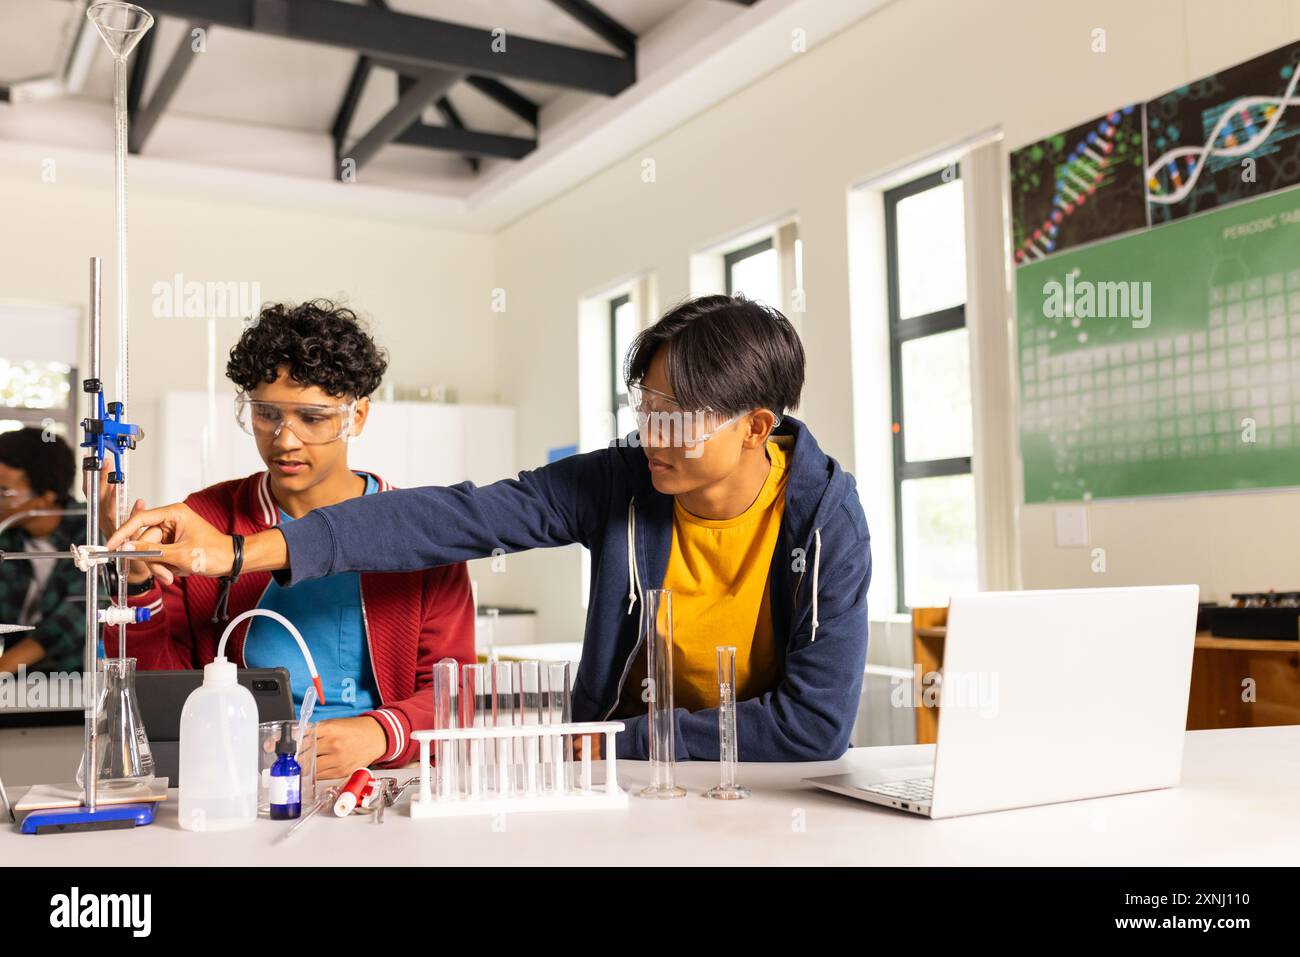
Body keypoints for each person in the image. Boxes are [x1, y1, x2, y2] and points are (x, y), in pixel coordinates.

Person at [110, 295, 872, 761]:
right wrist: (239, 550)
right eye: (645, 407)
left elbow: (812, 727)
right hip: (630, 776)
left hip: (760, 778)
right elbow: (464, 517)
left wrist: (602, 739)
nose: (650, 434)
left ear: (755, 427)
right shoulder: (623, 479)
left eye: (674, 417)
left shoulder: (826, 521)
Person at [103, 301, 475, 777]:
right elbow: (159, 691)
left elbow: (455, 695)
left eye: (312, 418)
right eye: (266, 414)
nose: (284, 440)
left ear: (356, 416)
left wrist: (381, 733)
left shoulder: (417, 532)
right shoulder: (207, 519)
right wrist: (135, 582)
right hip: (240, 775)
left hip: (381, 774)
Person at [0, 429, 86, 676]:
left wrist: (4, 667)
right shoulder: (8, 535)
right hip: (12, 681)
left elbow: (77, 616)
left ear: (45, 498)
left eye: (4, 492)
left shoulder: (89, 530)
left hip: (70, 680)